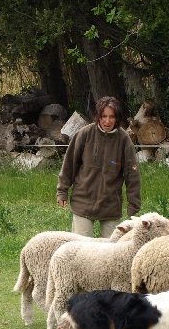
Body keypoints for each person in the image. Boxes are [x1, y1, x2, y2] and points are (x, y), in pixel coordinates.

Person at [56, 96, 141, 238]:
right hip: (83, 201)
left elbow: (132, 175)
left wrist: (133, 206)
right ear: (98, 116)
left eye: (111, 117)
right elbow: (69, 164)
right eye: (104, 116)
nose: (107, 121)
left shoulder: (124, 140)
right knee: (80, 249)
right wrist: (62, 191)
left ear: (117, 118)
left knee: (111, 251)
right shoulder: (84, 134)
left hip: (110, 206)